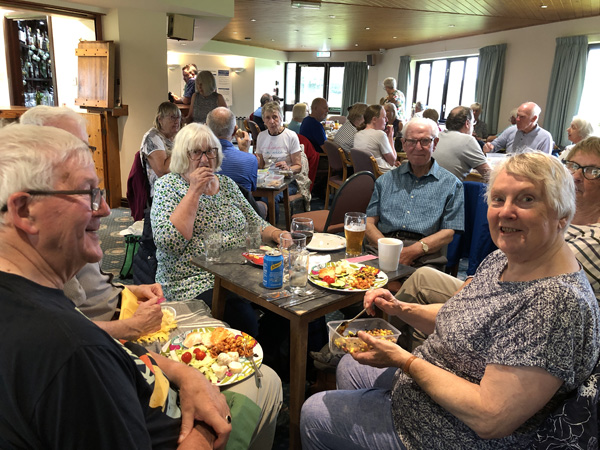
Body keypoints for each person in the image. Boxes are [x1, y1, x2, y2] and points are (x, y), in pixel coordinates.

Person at [300, 151, 600, 449]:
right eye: (498, 199)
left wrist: (405, 360)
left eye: (526, 199)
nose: (505, 212)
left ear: (562, 216)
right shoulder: (506, 258)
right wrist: (400, 308)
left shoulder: (556, 304)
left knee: (313, 412)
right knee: (348, 367)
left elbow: (490, 416)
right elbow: (462, 314)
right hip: (429, 389)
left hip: (453, 434)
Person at [0, 124, 234, 448]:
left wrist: (185, 374)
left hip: (160, 380)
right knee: (267, 386)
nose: (107, 210)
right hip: (183, 428)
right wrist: (208, 431)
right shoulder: (72, 352)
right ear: (25, 211)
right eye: (88, 193)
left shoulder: (32, 294)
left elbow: (117, 350)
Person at [151, 123, 284, 336]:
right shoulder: (168, 186)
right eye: (196, 152)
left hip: (241, 274)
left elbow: (255, 223)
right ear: (183, 156)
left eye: (210, 151)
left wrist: (279, 234)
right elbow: (170, 244)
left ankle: (280, 362)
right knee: (244, 320)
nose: (205, 159)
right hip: (194, 281)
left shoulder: (227, 185)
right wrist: (194, 190)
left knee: (288, 302)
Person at [365, 117, 464, 269]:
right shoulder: (384, 181)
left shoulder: (451, 184)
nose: (418, 147)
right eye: (411, 141)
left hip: (426, 254)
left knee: (416, 289)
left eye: (425, 141)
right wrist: (387, 249)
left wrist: (412, 251)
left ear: (435, 144)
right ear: (403, 144)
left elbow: (448, 232)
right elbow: (369, 222)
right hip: (382, 246)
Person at [434, 105, 491, 181]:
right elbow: (489, 174)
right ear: (467, 123)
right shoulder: (467, 140)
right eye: (473, 122)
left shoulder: (437, 136)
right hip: (447, 191)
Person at [139, 101, 181, 197]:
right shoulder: (152, 137)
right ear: (160, 119)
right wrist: (181, 147)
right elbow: (163, 171)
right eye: (172, 117)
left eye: (178, 117)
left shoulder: (175, 137)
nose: (177, 121)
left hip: (179, 184)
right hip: (163, 190)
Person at [484, 101, 553, 154]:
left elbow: (544, 166)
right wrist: (488, 147)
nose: (517, 119)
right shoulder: (512, 129)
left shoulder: (545, 137)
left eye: (522, 117)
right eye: (517, 116)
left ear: (534, 118)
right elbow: (495, 145)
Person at [353, 104, 397, 173]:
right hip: (381, 175)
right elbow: (392, 161)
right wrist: (390, 137)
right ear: (374, 120)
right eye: (384, 117)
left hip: (364, 174)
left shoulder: (358, 134)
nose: (387, 120)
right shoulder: (380, 134)